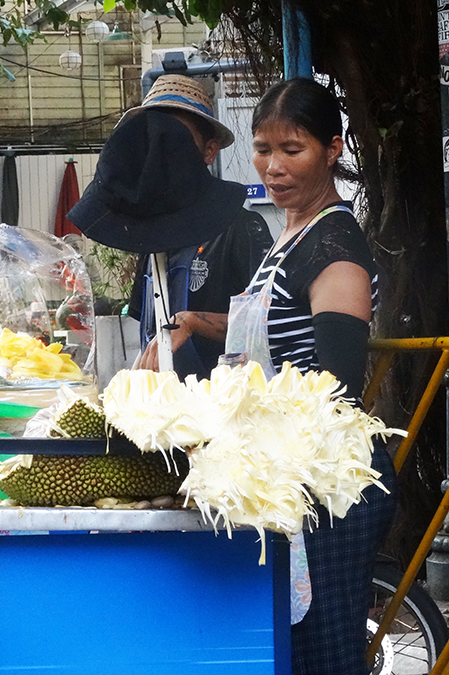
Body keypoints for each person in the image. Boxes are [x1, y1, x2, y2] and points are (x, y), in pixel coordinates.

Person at [234, 77, 396, 675]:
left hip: (329, 481)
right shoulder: (293, 235)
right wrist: (196, 323)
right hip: (291, 468)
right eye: (262, 148)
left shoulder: (334, 247)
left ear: (333, 149)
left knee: (324, 654)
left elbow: (338, 385)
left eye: (291, 150)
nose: (273, 166)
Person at [120, 75, 273, 379]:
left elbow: (267, 323)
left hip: (223, 411)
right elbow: (149, 332)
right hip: (161, 411)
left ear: (209, 150)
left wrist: (192, 321)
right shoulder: (152, 236)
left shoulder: (241, 228)